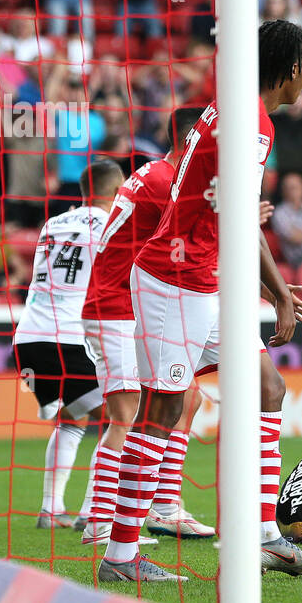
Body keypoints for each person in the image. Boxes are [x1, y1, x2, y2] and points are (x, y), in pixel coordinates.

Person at [98, 21, 302, 582]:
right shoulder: (251, 124)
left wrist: (265, 286)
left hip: (207, 279)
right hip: (172, 281)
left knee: (267, 387)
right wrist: (278, 295)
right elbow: (241, 219)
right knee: (164, 411)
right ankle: (121, 558)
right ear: (292, 69)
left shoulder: (231, 111)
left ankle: (265, 536)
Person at [79, 108, 212, 546]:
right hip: (117, 305)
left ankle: (164, 505)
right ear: (195, 137)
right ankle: (101, 520)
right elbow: (178, 247)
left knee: (185, 397)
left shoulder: (152, 174)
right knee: (127, 415)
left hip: (121, 302)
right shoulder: (164, 183)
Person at [13, 160, 124, 530]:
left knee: (74, 418)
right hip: (70, 339)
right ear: (117, 190)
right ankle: (95, 513)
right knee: (122, 419)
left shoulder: (53, 222)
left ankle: (50, 508)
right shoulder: (111, 224)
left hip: (29, 338)